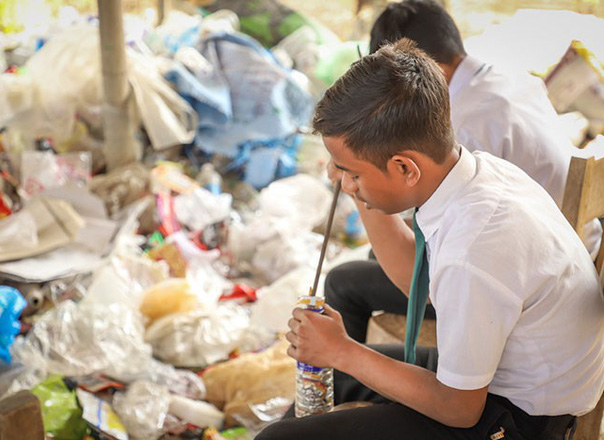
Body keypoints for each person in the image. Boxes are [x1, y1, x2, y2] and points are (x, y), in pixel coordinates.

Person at [255, 39, 604, 440]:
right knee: (330, 378)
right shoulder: (476, 174)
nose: (347, 184)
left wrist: (342, 350)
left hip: (518, 420)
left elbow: (459, 409)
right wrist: (357, 185)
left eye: (353, 174)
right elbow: (416, 281)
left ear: (405, 167)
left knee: (277, 437)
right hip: (496, 381)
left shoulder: (474, 248)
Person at [326, 0, 602, 343]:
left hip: (535, 284)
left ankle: (344, 384)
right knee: (380, 246)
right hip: (575, 249)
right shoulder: (507, 79)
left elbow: (435, 264)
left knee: (344, 282)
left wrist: (355, 183)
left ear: (424, 73)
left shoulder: (465, 125)